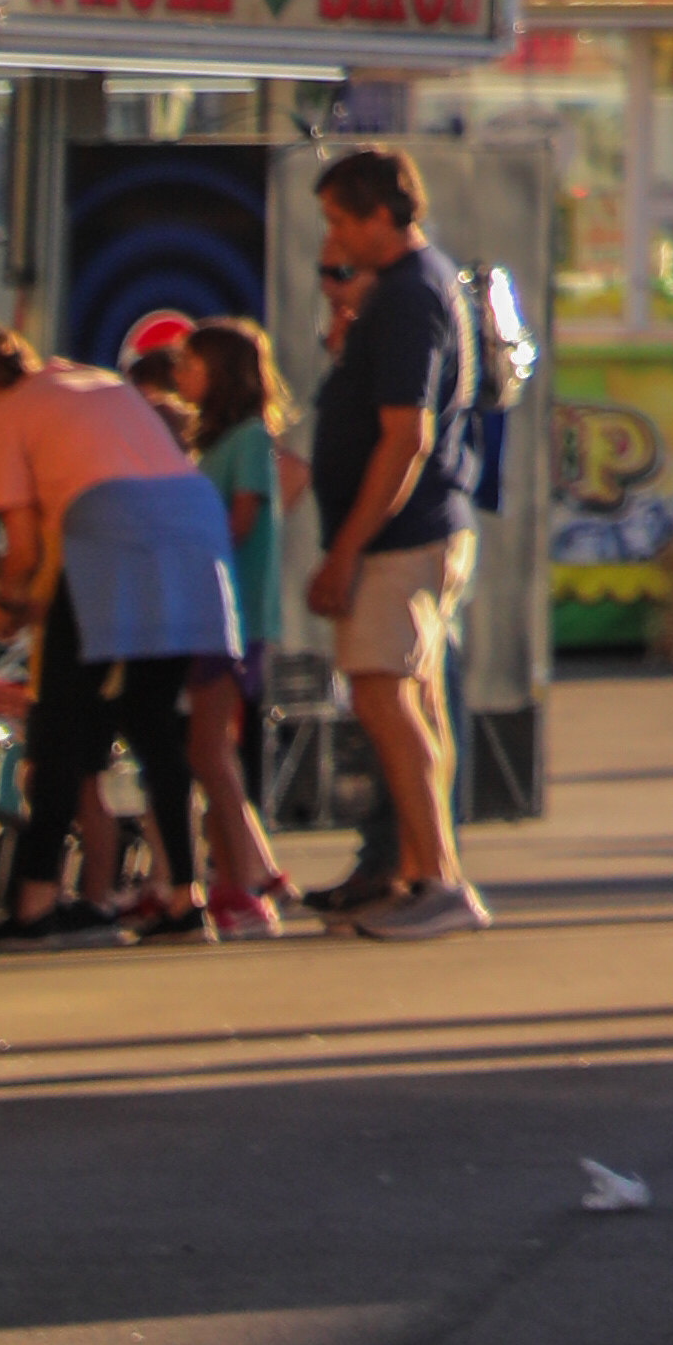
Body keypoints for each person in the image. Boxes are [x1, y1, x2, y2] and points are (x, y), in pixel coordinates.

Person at [0, 326, 235, 945]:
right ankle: (182, 898)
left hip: (105, 531)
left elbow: (26, 548)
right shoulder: (100, 383)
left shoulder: (5, 415)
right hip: (192, 527)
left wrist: (6, 603)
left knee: (58, 729)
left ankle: (34, 902)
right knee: (152, 721)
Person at [301, 145, 484, 939]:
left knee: (384, 690)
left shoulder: (411, 293)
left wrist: (348, 548)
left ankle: (439, 878)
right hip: (419, 527)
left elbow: (405, 434)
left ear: (382, 215)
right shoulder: (410, 288)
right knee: (409, 694)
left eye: (342, 220)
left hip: (401, 533)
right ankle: (418, 871)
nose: (335, 241)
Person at [170, 322, 298, 935]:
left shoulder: (248, 438)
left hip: (231, 611)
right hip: (210, 609)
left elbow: (241, 520)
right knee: (207, 747)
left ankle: (242, 882)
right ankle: (242, 871)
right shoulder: (218, 442)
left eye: (191, 363)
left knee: (209, 747)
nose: (180, 373)